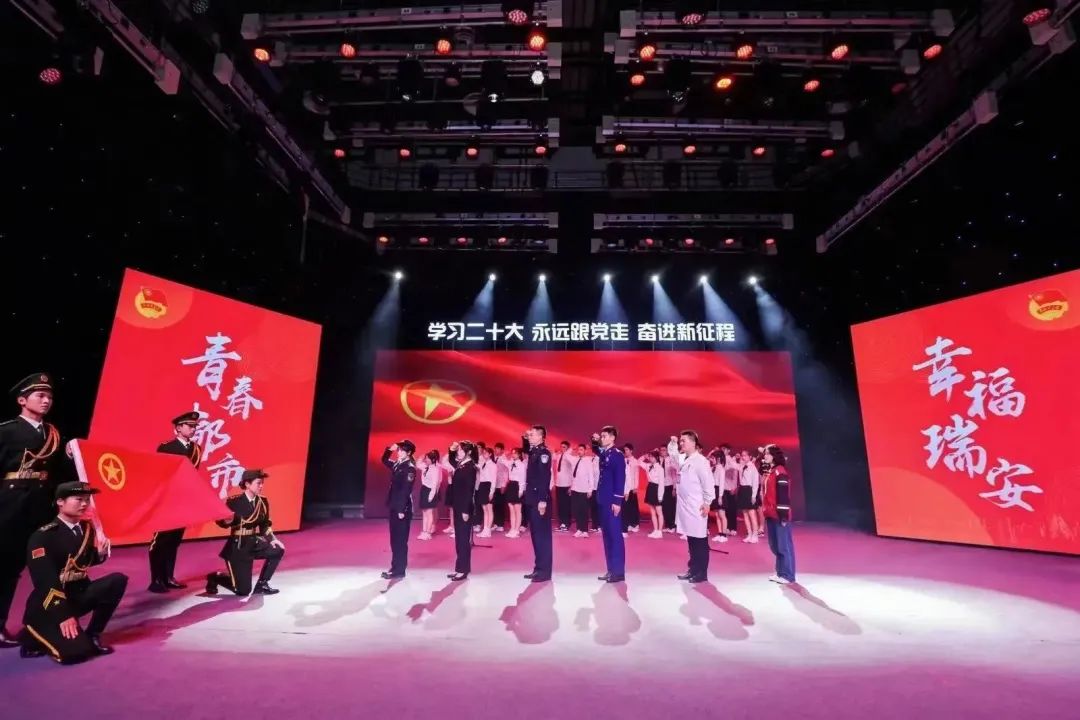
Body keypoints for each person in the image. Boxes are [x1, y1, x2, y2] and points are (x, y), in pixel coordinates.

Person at [19, 482, 128, 664]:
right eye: (78, 499)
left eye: (87, 500)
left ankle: (93, 634)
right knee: (76, 654)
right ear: (60, 502)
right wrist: (63, 615)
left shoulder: (86, 529)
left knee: (117, 581)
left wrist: (99, 555)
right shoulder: (43, 536)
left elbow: (79, 562)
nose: (84, 504)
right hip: (50, 605)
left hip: (77, 594)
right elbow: (45, 580)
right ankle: (30, 637)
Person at [0, 372, 65, 648]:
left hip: (42, 508)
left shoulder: (53, 434)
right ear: (22, 400)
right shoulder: (7, 431)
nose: (46, 400)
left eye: (49, 396)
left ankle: (42, 625)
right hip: (10, 507)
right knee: (6, 569)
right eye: (40, 395)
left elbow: (56, 473)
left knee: (46, 569)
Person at [205, 469, 285, 596]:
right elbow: (222, 523)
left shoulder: (262, 502)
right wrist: (227, 521)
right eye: (258, 483)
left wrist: (273, 539)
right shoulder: (234, 501)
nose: (261, 486)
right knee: (243, 591)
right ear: (247, 484)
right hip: (238, 546)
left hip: (253, 542)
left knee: (278, 549)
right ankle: (215, 577)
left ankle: (262, 584)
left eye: (262, 483)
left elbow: (264, 525)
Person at [147, 411, 202, 593]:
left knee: (174, 541)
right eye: (189, 426)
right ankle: (156, 580)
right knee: (160, 541)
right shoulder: (167, 447)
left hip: (183, 501)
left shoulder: (197, 449)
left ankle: (169, 577)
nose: (193, 429)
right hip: (167, 501)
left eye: (195, 426)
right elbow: (158, 475)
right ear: (178, 428)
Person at [667, 431, 715, 583]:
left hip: (697, 506)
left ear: (694, 443)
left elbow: (708, 483)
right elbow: (673, 455)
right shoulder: (683, 458)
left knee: (699, 540)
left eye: (684, 441)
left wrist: (707, 502)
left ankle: (701, 572)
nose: (681, 444)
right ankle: (693, 569)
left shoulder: (701, 461)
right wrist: (673, 443)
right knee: (691, 539)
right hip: (685, 506)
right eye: (680, 441)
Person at [591, 427, 626, 583]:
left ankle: (618, 572)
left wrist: (617, 501)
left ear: (612, 438)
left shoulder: (617, 455)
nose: (602, 438)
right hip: (603, 500)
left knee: (615, 536)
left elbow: (620, 479)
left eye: (604, 436)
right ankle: (610, 569)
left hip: (612, 501)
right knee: (607, 536)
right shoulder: (606, 453)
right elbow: (596, 449)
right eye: (602, 436)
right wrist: (594, 440)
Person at [521, 425, 553, 583]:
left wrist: (542, 500)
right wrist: (525, 437)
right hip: (532, 498)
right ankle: (538, 568)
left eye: (533, 434)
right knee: (535, 536)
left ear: (541, 437)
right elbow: (525, 448)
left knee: (542, 537)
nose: (530, 437)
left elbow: (544, 478)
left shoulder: (543, 453)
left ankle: (544, 572)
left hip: (539, 500)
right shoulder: (534, 451)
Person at [761, 445, 796, 584]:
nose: (765, 456)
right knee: (775, 546)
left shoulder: (780, 472)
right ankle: (780, 572)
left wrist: (783, 515)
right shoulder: (771, 471)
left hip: (779, 515)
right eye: (765, 454)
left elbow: (783, 496)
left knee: (783, 546)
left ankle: (788, 575)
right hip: (770, 514)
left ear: (774, 456)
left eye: (767, 454)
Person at [381, 440, 416, 579]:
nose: (399, 452)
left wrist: (401, 509)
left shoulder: (410, 468)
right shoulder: (398, 464)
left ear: (409, 453)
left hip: (402, 508)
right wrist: (390, 449)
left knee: (400, 541)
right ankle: (395, 567)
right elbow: (384, 460)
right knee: (394, 540)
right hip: (394, 506)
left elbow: (406, 490)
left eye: (402, 450)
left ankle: (399, 570)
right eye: (399, 450)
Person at [446, 441, 478, 581]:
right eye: (458, 450)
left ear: (468, 452)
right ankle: (459, 568)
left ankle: (463, 570)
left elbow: (469, 490)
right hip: (458, 505)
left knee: (463, 540)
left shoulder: (470, 467)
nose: (458, 453)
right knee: (459, 539)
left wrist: (465, 510)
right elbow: (451, 460)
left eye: (460, 450)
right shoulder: (461, 464)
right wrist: (451, 449)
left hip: (464, 508)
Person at [417, 450, 442, 540]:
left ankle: (428, 533)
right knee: (424, 512)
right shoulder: (425, 466)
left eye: (427, 458)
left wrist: (431, 496)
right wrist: (422, 456)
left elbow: (435, 484)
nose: (426, 460)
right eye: (426, 458)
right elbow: (418, 464)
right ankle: (424, 531)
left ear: (433, 459)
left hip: (430, 491)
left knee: (429, 512)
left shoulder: (435, 469)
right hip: (424, 490)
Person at [642, 451, 665, 538]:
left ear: (657, 458)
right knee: (652, 511)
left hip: (657, 488)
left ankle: (660, 531)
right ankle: (655, 530)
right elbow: (639, 462)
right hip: (650, 487)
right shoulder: (648, 465)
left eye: (652, 457)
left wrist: (660, 496)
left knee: (659, 511)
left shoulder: (660, 468)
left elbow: (661, 484)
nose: (650, 458)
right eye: (650, 457)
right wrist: (645, 456)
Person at [621, 444, 641, 535]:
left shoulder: (635, 461)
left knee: (633, 507)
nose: (625, 451)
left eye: (627, 450)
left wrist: (636, 486)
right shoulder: (623, 460)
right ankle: (628, 523)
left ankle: (635, 524)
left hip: (632, 486)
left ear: (631, 450)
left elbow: (636, 475)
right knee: (626, 507)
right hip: (625, 487)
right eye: (624, 450)